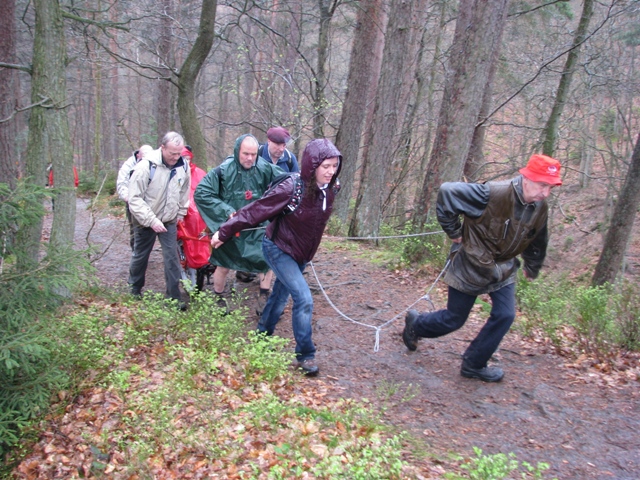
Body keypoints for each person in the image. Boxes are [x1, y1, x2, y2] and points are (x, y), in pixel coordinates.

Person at [402, 154, 562, 382]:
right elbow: (448, 191)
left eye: (550, 188)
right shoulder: (492, 193)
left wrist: (532, 265)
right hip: (471, 264)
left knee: (505, 314)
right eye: (542, 185)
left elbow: (538, 237)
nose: (545, 193)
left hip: (503, 268)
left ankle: (474, 364)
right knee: (454, 319)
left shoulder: (539, 207)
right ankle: (417, 324)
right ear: (526, 178)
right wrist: (454, 232)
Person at [210, 138, 342, 376]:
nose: (331, 171)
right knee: (304, 299)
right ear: (312, 165)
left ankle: (262, 334)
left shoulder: (331, 189)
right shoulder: (291, 188)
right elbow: (256, 210)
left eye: (334, 166)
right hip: (277, 249)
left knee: (280, 296)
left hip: (301, 254)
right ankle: (305, 354)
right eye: (326, 166)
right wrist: (226, 230)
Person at [194, 134, 283, 313]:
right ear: (237, 152)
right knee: (224, 263)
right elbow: (202, 193)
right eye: (245, 154)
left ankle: (264, 296)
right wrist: (227, 212)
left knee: (266, 260)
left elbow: (287, 181)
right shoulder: (223, 170)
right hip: (231, 226)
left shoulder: (265, 168)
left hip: (257, 225)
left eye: (253, 154)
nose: (250, 158)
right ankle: (218, 297)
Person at [127, 132, 191, 309]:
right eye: (172, 153)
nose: (176, 157)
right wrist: (151, 220)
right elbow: (134, 198)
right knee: (141, 255)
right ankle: (134, 289)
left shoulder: (183, 166)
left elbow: (184, 192)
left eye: (179, 153)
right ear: (162, 148)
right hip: (145, 219)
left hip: (169, 219)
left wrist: (180, 213)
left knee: (172, 258)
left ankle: (173, 297)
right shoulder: (146, 167)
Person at [176, 146, 213, 291]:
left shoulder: (199, 174)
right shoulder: (173, 173)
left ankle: (203, 260)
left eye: (187, 158)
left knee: (200, 222)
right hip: (180, 211)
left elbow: (207, 192)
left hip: (196, 211)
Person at [117, 145, 154, 250]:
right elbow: (122, 183)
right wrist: (127, 197)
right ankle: (136, 250)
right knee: (135, 228)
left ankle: (144, 251)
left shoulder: (154, 163)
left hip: (149, 200)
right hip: (133, 200)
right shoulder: (128, 166)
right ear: (138, 155)